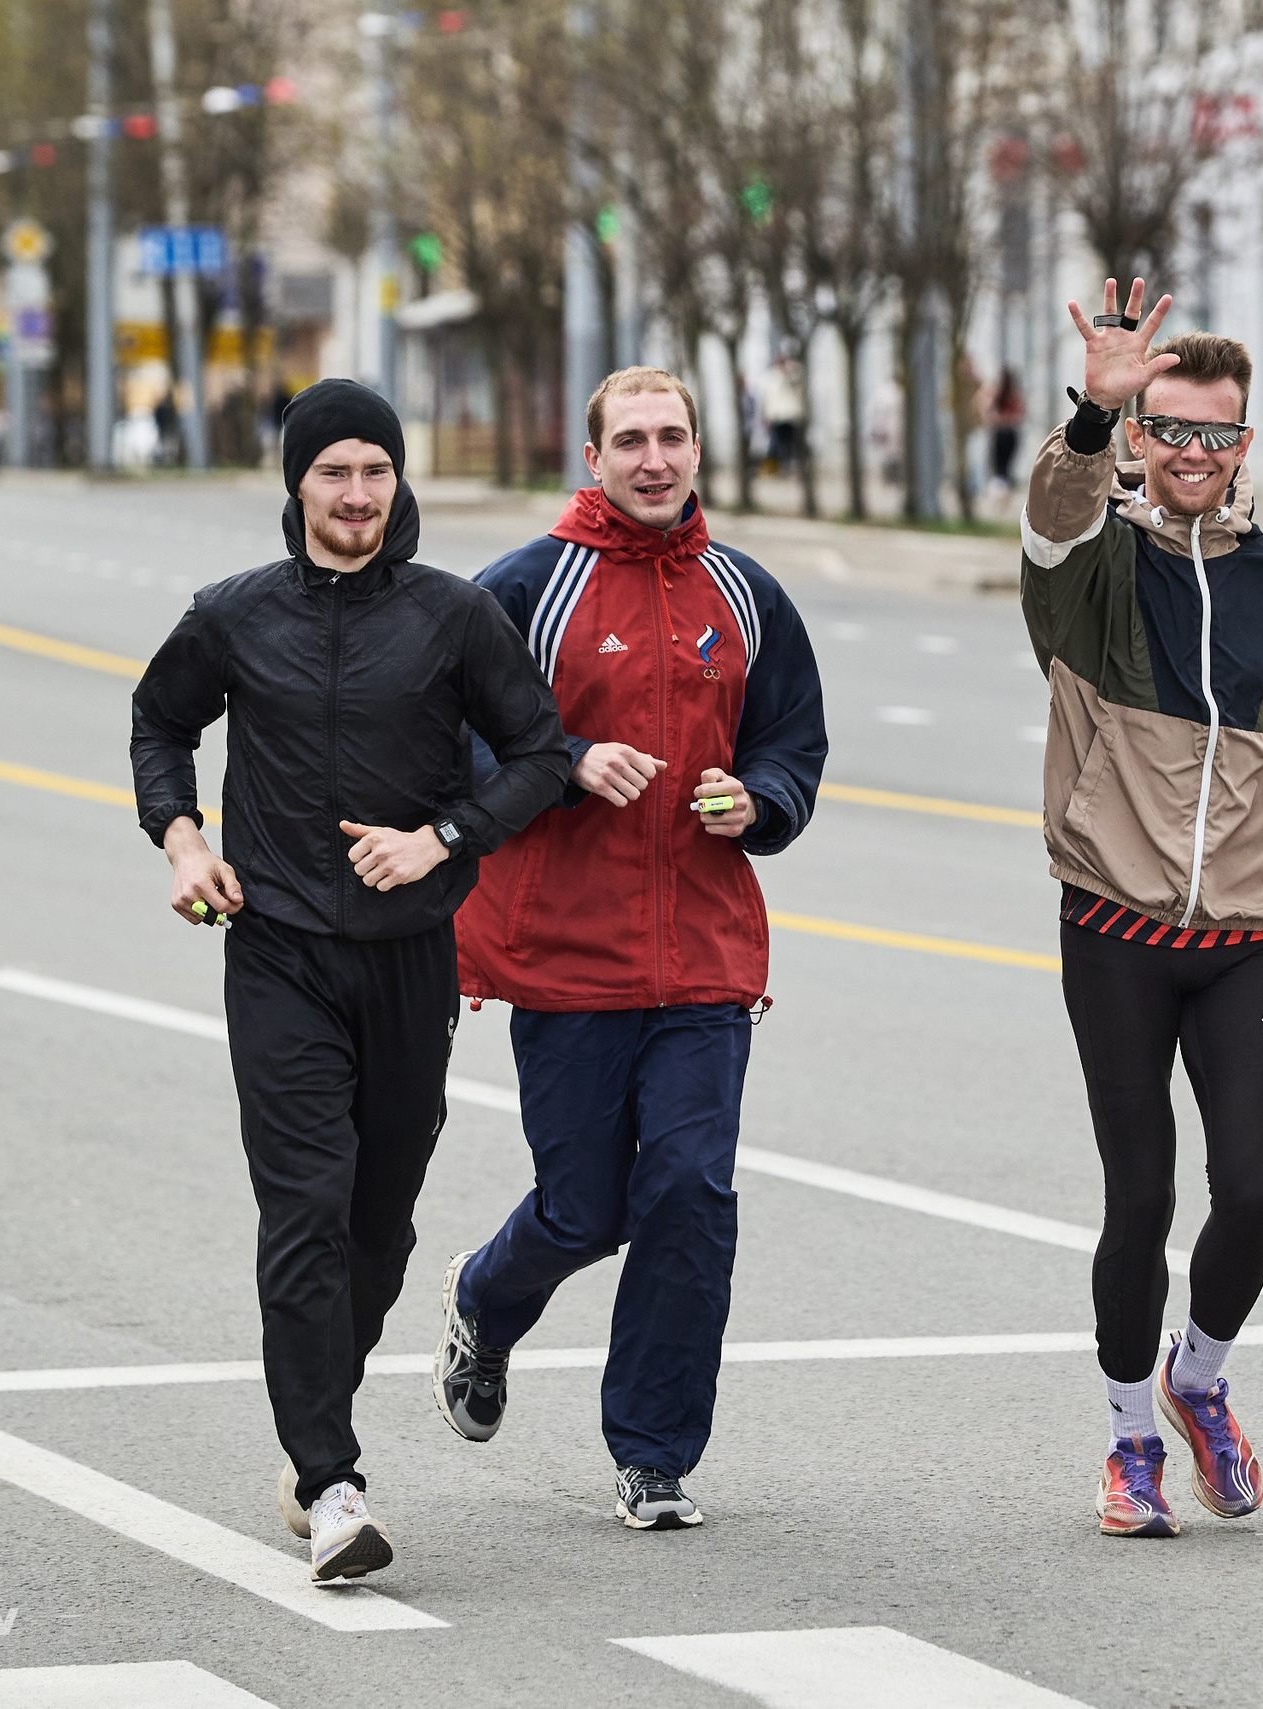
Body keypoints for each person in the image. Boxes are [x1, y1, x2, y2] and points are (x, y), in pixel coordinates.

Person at [129, 379, 570, 1582]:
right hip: (274, 948)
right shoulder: (232, 616)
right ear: (298, 483)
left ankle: (316, 1400)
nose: (358, 494)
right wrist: (184, 839)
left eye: (376, 471)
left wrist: (443, 837)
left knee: (378, 1224)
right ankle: (330, 1480)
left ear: (398, 482)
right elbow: (159, 724)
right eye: (335, 472)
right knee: (306, 1208)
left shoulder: (451, 617)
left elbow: (541, 752)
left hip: (408, 958)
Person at [434, 367, 827, 1532]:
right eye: (632, 442)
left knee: (691, 1193)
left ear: (699, 448)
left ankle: (653, 1452)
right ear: (592, 455)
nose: (655, 460)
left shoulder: (745, 594)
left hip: (704, 954)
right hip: (568, 953)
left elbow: (791, 741)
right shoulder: (523, 589)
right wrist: (563, 762)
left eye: (673, 437)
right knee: (583, 1205)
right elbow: (447, 744)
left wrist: (756, 801)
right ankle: (483, 1304)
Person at [1022, 281, 1263, 1539]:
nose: (1188, 454)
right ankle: (1126, 1443)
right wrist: (1088, 419)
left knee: (1256, 1191)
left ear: (1241, 450)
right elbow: (1054, 519)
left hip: (1243, 936)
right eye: (1167, 429)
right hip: (1113, 927)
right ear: (1144, 433)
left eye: (1212, 435)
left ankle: (1199, 1379)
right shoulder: (1092, 571)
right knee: (1141, 1194)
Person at [984, 366, 1028, 493]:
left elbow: (989, 412)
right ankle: (1002, 488)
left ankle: (1001, 488)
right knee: (1003, 465)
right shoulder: (1006, 394)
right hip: (1006, 433)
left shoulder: (1006, 395)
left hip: (1003, 433)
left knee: (1001, 465)